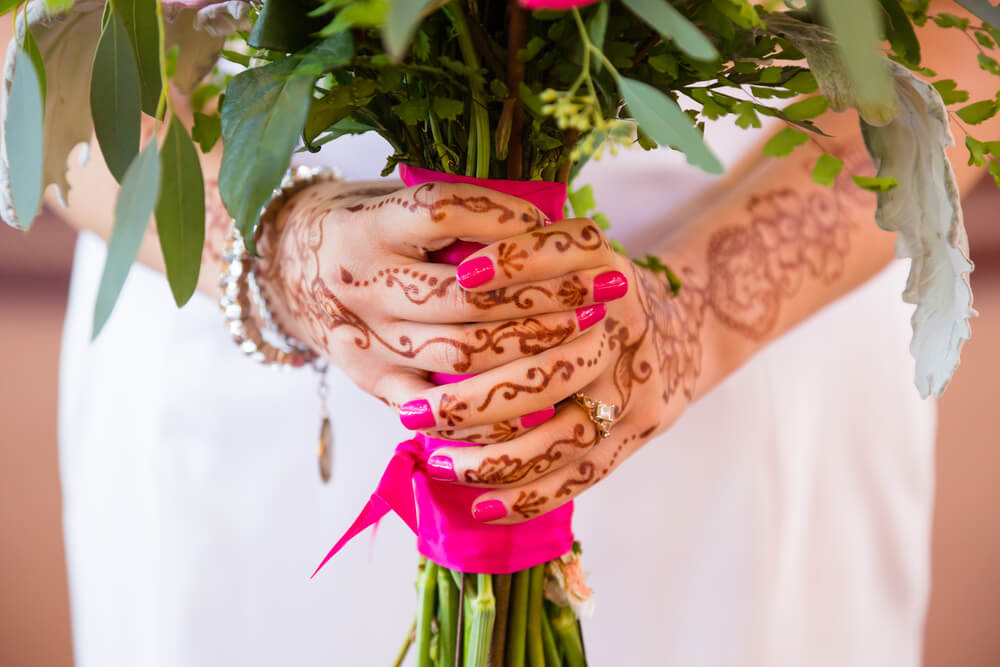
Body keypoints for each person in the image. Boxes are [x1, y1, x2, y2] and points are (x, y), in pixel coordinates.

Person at [7, 3, 999, 665]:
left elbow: (968, 30)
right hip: (243, 386)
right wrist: (276, 250)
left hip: (757, 358)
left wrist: (694, 314)